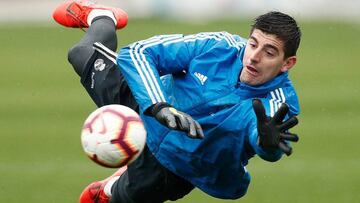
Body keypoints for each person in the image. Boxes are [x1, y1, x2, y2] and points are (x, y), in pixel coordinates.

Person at [53, 1, 301, 203]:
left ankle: (111, 189)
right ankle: (102, 16)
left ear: (287, 63)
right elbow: (139, 52)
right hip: (147, 104)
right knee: (80, 55)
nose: (254, 57)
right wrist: (159, 105)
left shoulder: (279, 102)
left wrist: (266, 144)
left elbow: (267, 143)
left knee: (112, 200)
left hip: (180, 164)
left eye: (269, 52)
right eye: (253, 44)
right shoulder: (218, 46)